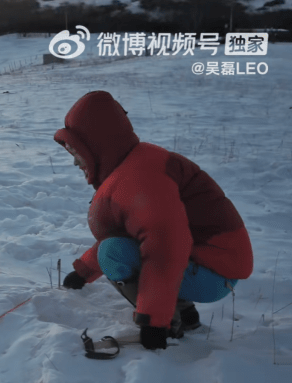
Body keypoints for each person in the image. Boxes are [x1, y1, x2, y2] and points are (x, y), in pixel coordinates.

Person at [54, 91, 253, 350]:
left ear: (96, 146)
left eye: (77, 152)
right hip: (207, 265)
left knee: (112, 254)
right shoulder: (134, 166)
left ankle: (170, 323)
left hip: (214, 274)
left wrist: (154, 322)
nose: (74, 162)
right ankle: (185, 315)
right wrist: (84, 271)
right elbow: (131, 234)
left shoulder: (141, 177)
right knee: (116, 249)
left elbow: (165, 247)